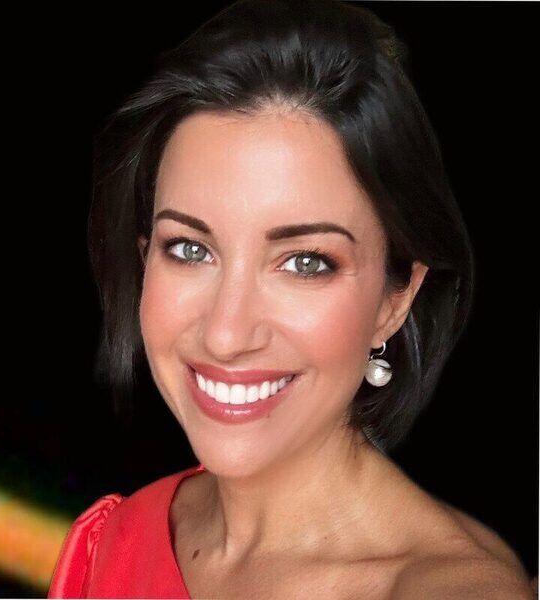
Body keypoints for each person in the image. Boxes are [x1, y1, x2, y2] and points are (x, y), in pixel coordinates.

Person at [48, 0, 535, 597]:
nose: (226, 334)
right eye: (190, 249)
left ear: (396, 297)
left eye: (305, 263)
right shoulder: (112, 541)